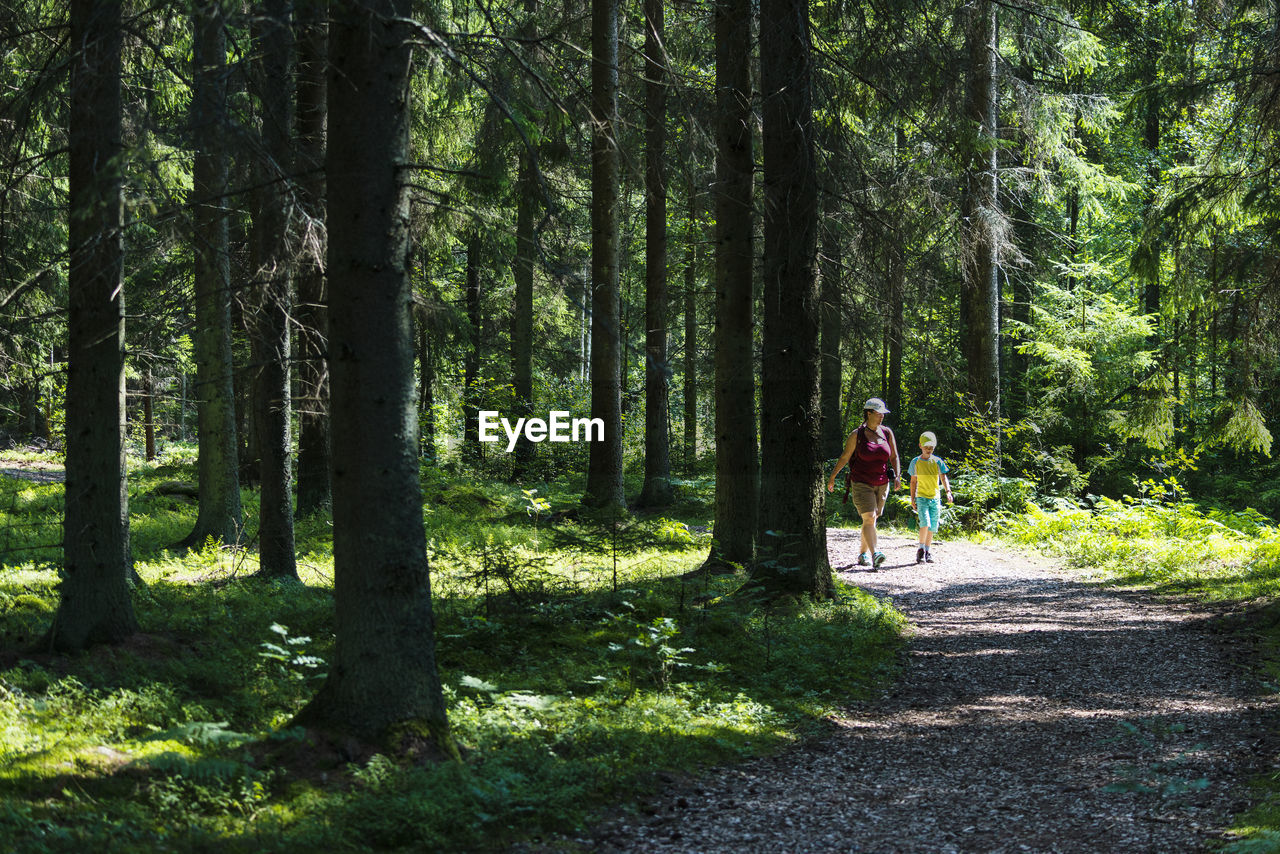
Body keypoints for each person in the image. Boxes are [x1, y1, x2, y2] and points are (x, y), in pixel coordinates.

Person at [827, 397, 901, 568]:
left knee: (871, 519)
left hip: (882, 483)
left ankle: (862, 555)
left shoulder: (887, 432)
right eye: (879, 413)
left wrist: (897, 475)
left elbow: (894, 456)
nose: (882, 416)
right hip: (861, 482)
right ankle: (876, 554)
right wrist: (832, 477)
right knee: (869, 516)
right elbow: (845, 457)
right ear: (869, 413)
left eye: (883, 413)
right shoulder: (857, 435)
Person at [908, 431, 953, 564]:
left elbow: (943, 477)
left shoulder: (937, 461)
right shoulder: (915, 462)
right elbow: (913, 482)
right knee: (925, 523)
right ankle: (921, 550)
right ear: (920, 446)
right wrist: (912, 499)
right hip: (922, 498)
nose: (929, 450)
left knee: (932, 526)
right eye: (927, 447)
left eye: (931, 448)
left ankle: (928, 551)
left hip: (935, 498)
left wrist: (948, 492)